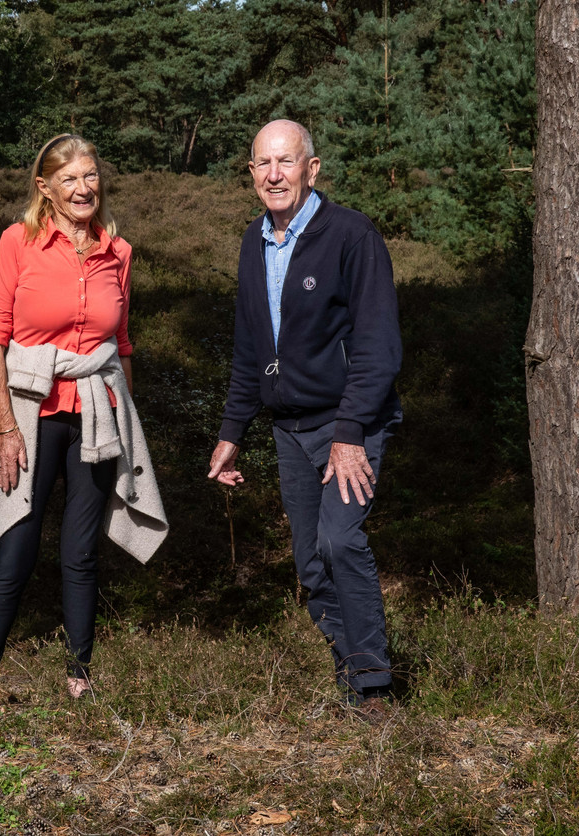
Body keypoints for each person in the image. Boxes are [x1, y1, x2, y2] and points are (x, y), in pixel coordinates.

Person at [0, 134, 168, 723]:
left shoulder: (117, 251)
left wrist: (127, 420)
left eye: (91, 176)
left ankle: (79, 680)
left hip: (97, 410)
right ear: (44, 187)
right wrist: (4, 429)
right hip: (29, 413)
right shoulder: (16, 243)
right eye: (69, 179)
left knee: (80, 553)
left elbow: (120, 345)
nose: (83, 188)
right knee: (14, 548)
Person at [208, 119, 403, 716]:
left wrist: (349, 436)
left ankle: (374, 686)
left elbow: (378, 348)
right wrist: (231, 432)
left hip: (350, 423)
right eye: (263, 164)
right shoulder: (252, 242)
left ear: (311, 169)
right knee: (311, 564)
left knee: (340, 541)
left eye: (286, 162)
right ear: (250, 174)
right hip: (287, 429)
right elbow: (251, 348)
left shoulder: (352, 236)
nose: (274, 175)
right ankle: (353, 676)